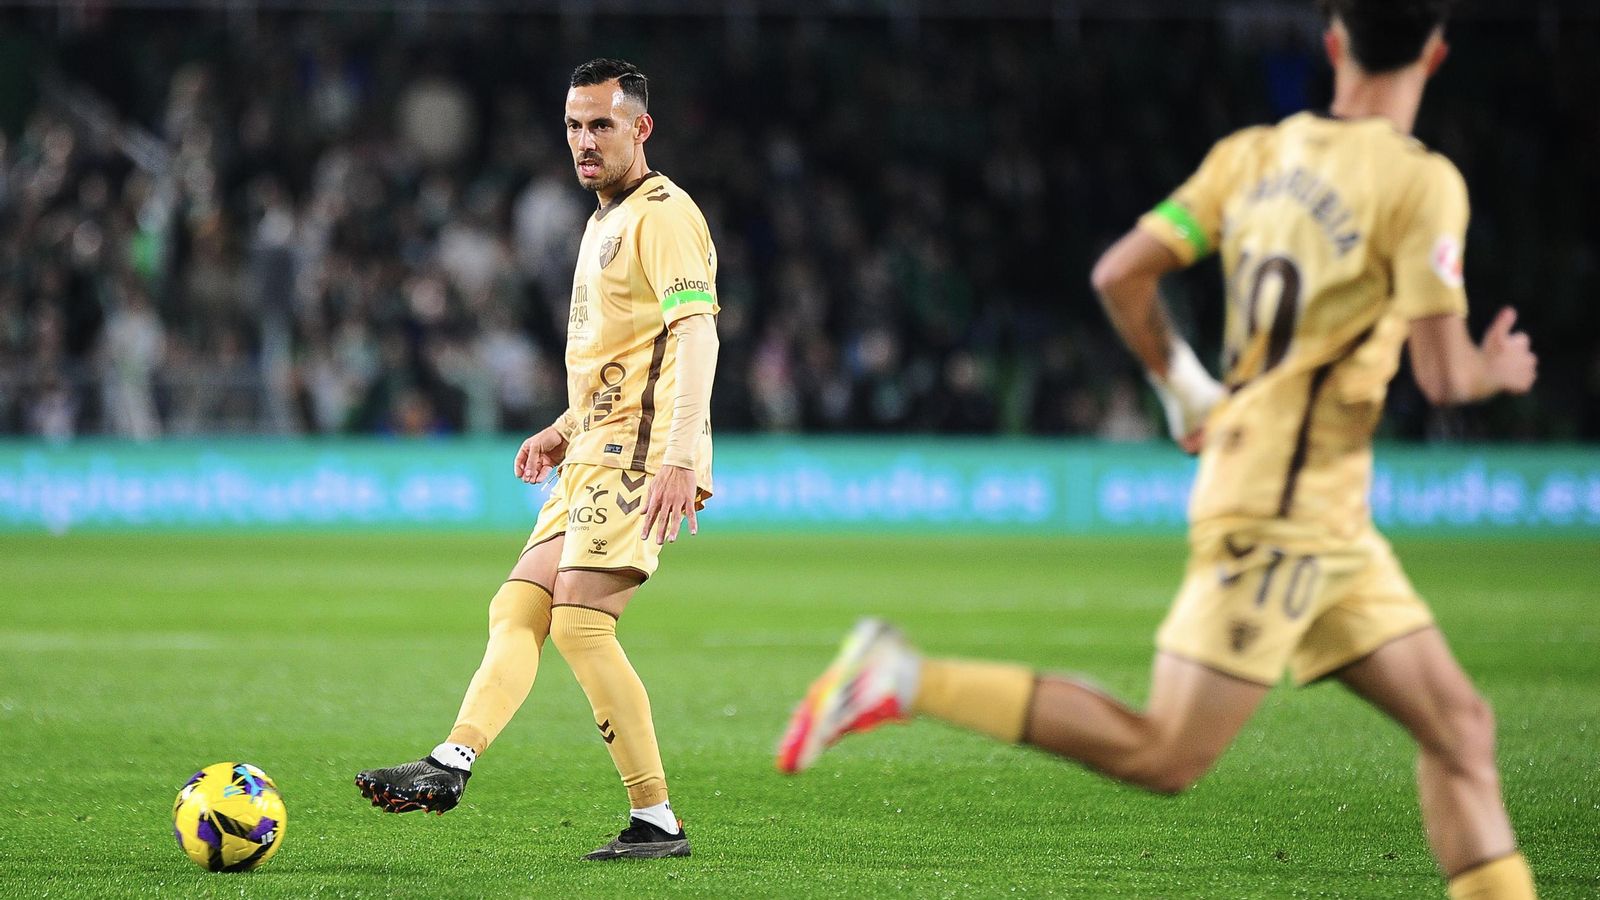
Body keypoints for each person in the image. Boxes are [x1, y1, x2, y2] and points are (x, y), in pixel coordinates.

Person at [776, 2, 1539, 897]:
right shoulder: (1421, 182)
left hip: (1324, 508)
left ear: (1332, 44)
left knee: (1461, 730)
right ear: (1437, 53)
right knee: (1165, 750)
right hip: (1283, 510)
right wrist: (1496, 368)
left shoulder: (1253, 156)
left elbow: (1120, 273)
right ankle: (905, 677)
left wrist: (1187, 391)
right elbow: (1444, 377)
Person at [357, 58, 720, 861]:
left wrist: (679, 455)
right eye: (573, 126)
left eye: (601, 125)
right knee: (517, 607)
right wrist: (562, 426)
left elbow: (695, 333)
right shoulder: (600, 221)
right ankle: (452, 760)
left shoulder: (664, 215)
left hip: (637, 455)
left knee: (583, 624)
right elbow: (623, 351)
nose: (584, 142)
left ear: (640, 128)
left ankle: (656, 819)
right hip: (590, 450)